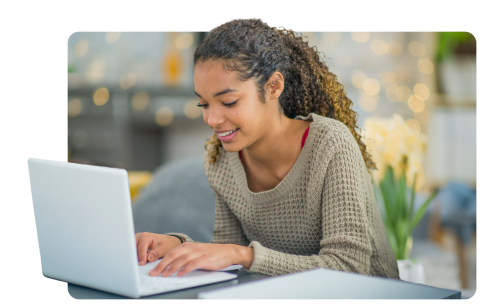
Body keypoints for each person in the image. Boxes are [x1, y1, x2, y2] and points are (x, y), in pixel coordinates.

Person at [136, 19, 400, 279]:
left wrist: (245, 256)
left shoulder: (330, 144)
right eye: (203, 104)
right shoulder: (221, 159)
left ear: (273, 86)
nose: (212, 119)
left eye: (228, 102)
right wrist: (178, 245)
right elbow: (227, 254)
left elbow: (349, 267)